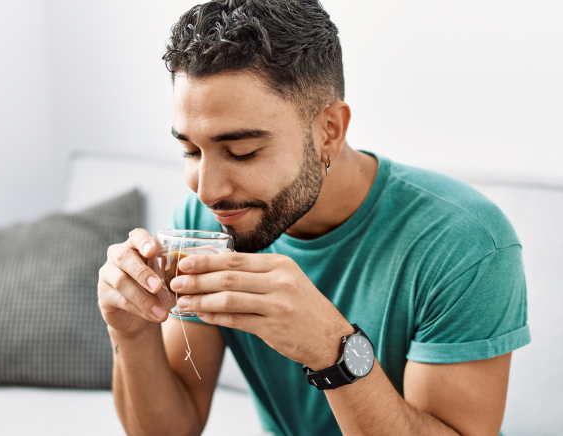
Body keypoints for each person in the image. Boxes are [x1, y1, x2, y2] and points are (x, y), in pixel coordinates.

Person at [97, 1, 531, 435]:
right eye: (191, 150)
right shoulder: (207, 223)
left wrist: (333, 350)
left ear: (329, 131)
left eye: (243, 152)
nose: (207, 191)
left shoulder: (465, 244)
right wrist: (133, 334)